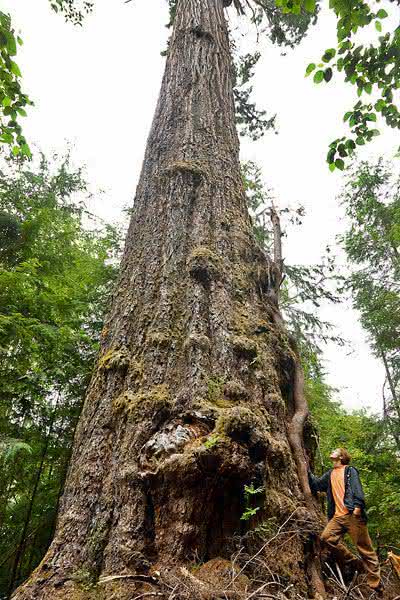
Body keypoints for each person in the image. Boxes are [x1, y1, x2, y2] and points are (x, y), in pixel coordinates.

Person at [308, 447, 383, 594]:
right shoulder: (330, 474)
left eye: (335, 450)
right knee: (326, 538)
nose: (332, 451)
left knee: (365, 548)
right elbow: (316, 485)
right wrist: (307, 471)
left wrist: (358, 507)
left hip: (352, 515)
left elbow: (357, 488)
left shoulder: (350, 471)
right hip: (337, 517)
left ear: (341, 456)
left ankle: (375, 583)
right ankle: (352, 561)